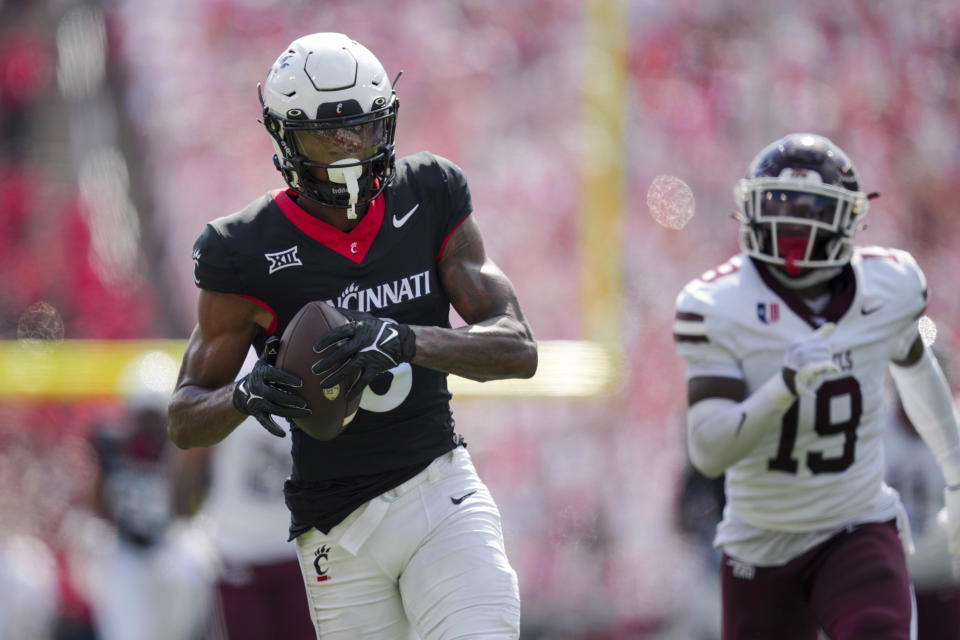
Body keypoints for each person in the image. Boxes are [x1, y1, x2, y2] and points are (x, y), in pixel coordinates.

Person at [167, 32, 537, 640]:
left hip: (438, 490)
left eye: (360, 129)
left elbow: (518, 347)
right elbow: (183, 418)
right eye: (323, 134)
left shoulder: (430, 194)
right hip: (336, 529)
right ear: (285, 137)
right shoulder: (244, 249)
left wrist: (405, 339)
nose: (346, 149)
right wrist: (244, 395)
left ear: (385, 125)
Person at [672, 132, 960, 640]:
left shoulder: (888, 287)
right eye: (779, 208)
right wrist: (782, 387)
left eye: (809, 211)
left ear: (848, 220)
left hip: (855, 522)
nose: (792, 227)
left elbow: (915, 370)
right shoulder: (718, 303)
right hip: (759, 538)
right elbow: (708, 451)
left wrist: (956, 473)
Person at [172, 350, 315, 640]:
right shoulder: (229, 371)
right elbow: (191, 456)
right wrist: (181, 531)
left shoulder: (312, 368)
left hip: (297, 550)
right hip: (235, 552)